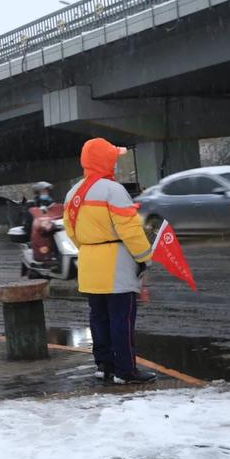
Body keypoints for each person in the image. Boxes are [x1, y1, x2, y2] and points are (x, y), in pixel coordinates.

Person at [63, 138, 157, 384]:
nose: (115, 163)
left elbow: (71, 231)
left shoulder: (74, 193)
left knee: (99, 317)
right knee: (121, 319)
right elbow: (130, 229)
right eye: (113, 159)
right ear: (105, 160)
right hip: (116, 263)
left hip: (89, 261)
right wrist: (144, 257)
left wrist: (90, 247)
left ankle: (103, 365)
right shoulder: (112, 190)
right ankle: (126, 371)